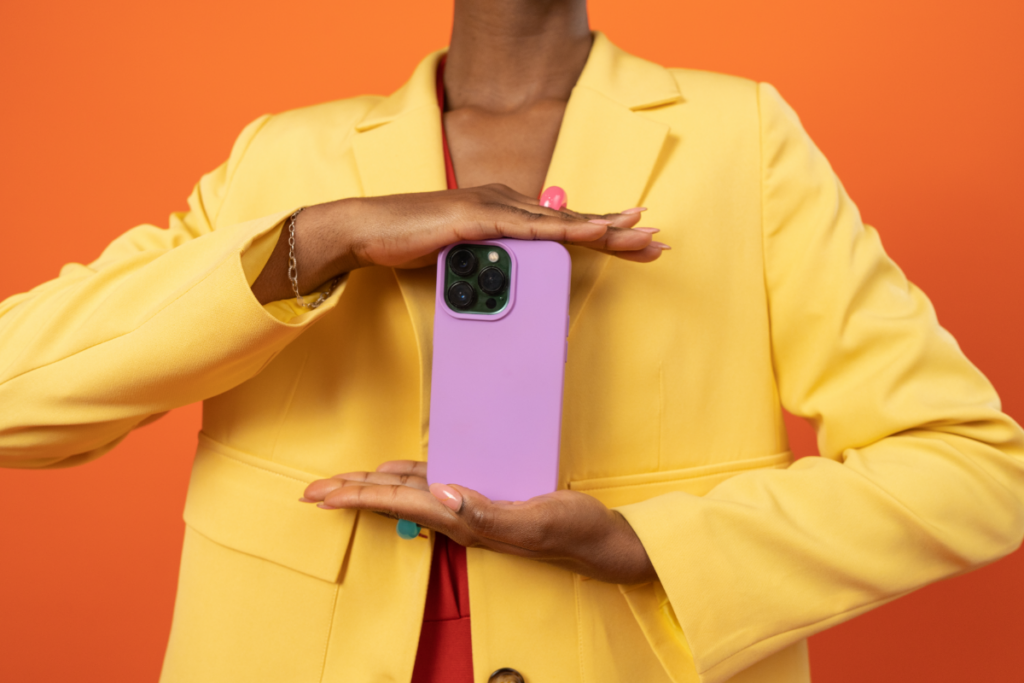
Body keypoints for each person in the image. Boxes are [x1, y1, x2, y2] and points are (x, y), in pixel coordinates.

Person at [1, 0, 1022, 682]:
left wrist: (643, 544)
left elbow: (973, 466)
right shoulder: (290, 158)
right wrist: (324, 238)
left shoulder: (739, 138)